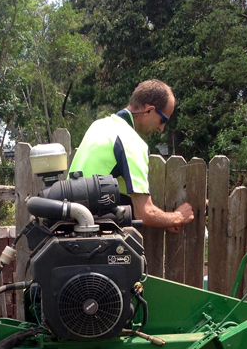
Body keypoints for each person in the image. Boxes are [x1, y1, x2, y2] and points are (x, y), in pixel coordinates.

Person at [69, 79, 195, 233]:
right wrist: (178, 217)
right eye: (163, 120)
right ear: (149, 110)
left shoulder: (99, 126)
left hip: (73, 227)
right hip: (97, 235)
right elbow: (145, 213)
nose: (162, 128)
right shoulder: (130, 142)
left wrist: (164, 220)